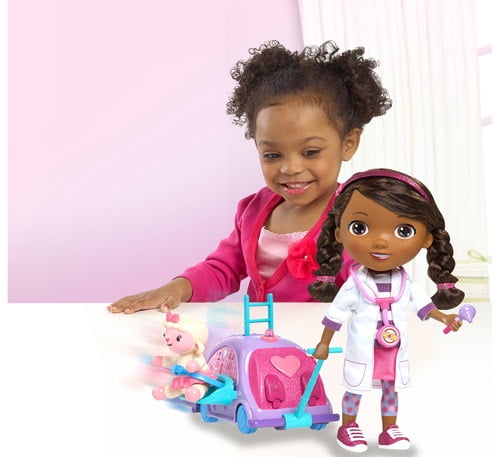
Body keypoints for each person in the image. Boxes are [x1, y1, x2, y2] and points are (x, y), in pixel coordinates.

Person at [108, 41, 392, 314]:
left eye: (310, 152)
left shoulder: (358, 220)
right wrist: (177, 289)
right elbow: (224, 268)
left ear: (348, 143)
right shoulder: (253, 210)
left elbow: (374, 295)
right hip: (260, 337)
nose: (290, 167)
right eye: (272, 155)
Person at [310, 168, 465, 453]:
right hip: (363, 349)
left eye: (403, 231)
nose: (381, 241)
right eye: (360, 228)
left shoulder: (405, 283)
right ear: (339, 233)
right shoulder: (354, 284)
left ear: (427, 239)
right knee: (355, 389)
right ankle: (348, 426)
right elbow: (335, 317)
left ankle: (389, 430)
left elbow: (424, 306)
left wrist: (445, 317)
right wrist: (324, 343)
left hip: (392, 351)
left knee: (391, 390)